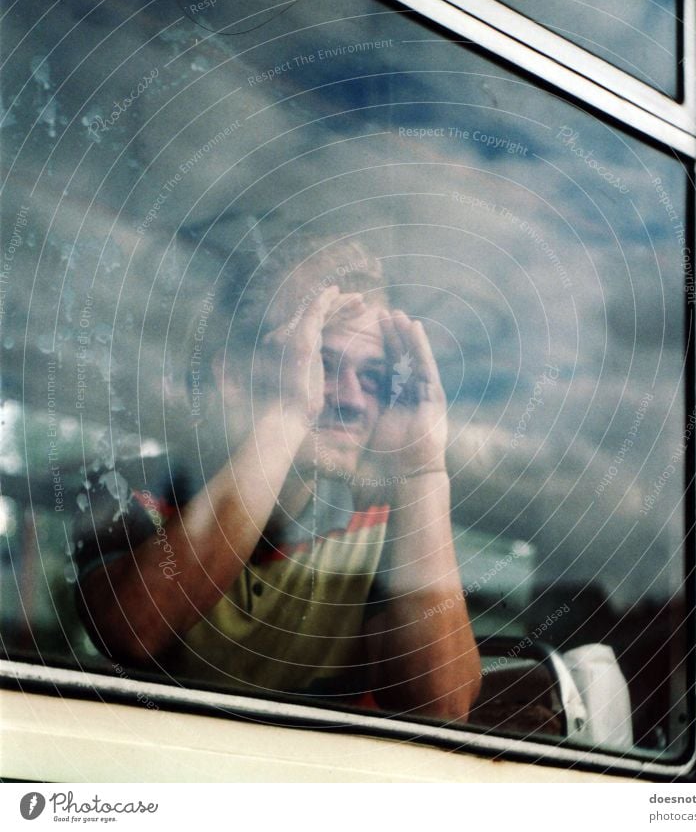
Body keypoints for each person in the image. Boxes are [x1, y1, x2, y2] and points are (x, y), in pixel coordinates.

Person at [74, 236, 481, 721]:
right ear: (230, 377)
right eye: (318, 363)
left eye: (372, 377)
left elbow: (442, 704)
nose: (351, 399)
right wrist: (289, 411)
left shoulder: (375, 530)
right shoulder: (138, 488)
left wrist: (421, 470)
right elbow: (133, 631)